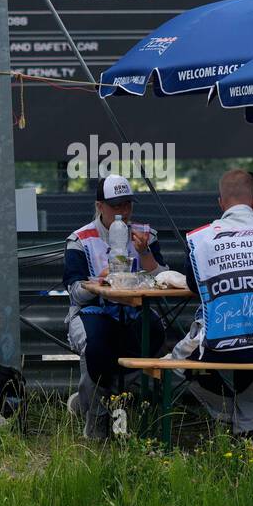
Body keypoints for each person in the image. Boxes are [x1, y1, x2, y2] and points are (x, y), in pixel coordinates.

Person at [166, 169, 253, 438]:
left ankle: (228, 414)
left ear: (221, 203)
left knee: (177, 362)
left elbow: (194, 286)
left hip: (221, 343)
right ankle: (250, 426)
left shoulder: (200, 239)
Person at [63, 174, 167, 439]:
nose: (123, 211)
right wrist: (100, 281)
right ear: (100, 206)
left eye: (127, 204)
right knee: (96, 346)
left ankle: (100, 399)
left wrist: (145, 254)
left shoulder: (146, 235)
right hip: (93, 309)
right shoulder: (80, 239)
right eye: (116, 205)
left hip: (135, 309)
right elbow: (74, 292)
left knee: (156, 333)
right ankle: (97, 417)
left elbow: (165, 280)